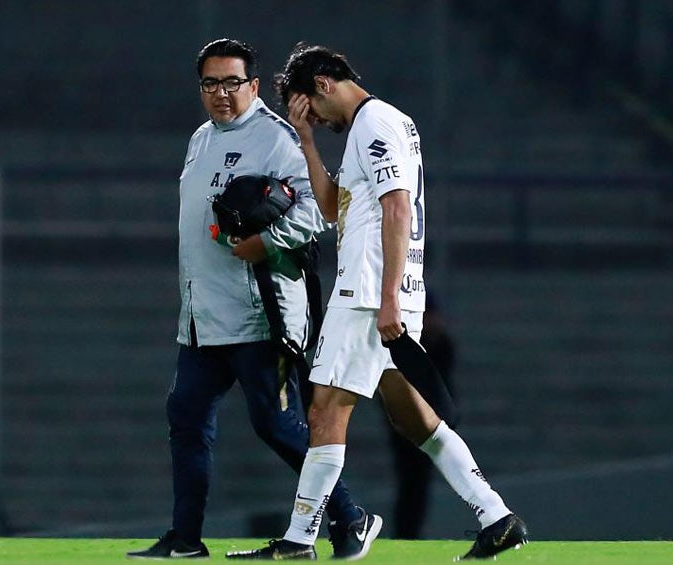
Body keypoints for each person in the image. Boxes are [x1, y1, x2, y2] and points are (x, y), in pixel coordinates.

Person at [227, 44, 528, 561]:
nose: (316, 118)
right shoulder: (378, 126)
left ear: (323, 84)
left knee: (323, 409)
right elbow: (330, 208)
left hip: (368, 294)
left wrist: (387, 297)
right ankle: (497, 517)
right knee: (416, 420)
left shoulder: (375, 122)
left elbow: (397, 208)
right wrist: (304, 138)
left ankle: (300, 540)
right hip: (383, 292)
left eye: (310, 108)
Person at [127, 38, 379, 560]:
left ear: (254, 86)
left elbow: (318, 213)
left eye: (232, 82)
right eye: (211, 83)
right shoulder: (201, 138)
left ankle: (348, 517)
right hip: (201, 317)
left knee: (276, 422)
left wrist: (264, 242)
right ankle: (186, 539)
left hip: (258, 314)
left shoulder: (276, 138)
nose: (222, 93)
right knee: (186, 417)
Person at [384, 293, 457, 540]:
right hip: (408, 421)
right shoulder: (412, 344)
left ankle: (410, 532)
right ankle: (407, 532)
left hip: (432, 416)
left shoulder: (442, 345)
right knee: (411, 481)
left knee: (418, 482)